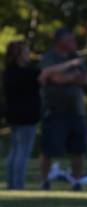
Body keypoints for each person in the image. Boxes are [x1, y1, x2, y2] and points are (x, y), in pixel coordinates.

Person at [39, 27, 87, 191]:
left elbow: (86, 79)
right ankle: (45, 180)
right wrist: (71, 74)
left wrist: (69, 76)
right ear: (60, 41)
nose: (73, 43)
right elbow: (53, 78)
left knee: (78, 148)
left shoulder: (76, 57)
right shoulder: (50, 57)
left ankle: (76, 180)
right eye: (70, 40)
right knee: (49, 148)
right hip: (54, 110)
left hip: (76, 111)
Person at [4, 41, 40, 189]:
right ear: (19, 55)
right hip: (26, 117)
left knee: (15, 150)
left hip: (14, 116)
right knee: (22, 152)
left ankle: (12, 183)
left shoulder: (8, 72)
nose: (28, 55)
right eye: (25, 52)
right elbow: (45, 74)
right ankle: (17, 184)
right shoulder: (24, 73)